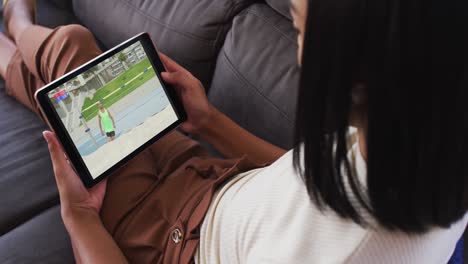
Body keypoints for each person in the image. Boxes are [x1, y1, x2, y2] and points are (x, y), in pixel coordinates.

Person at [0, 0, 466, 263]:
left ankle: (15, 26)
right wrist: (209, 123)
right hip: (213, 180)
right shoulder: (424, 141)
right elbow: (305, 180)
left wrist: (79, 217)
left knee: (71, 51)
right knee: (79, 76)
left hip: (169, 240)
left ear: (354, 71)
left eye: (299, 30)